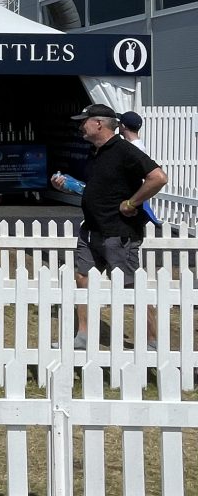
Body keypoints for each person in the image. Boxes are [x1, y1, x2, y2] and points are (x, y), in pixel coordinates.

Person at [51, 103, 167, 351]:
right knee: (83, 279)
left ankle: (152, 340)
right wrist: (69, 187)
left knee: (131, 287)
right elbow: (101, 186)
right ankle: (83, 336)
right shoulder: (96, 151)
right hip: (91, 229)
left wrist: (132, 202)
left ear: (99, 124)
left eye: (84, 121)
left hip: (119, 232)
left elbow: (158, 177)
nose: (81, 126)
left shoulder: (125, 150)